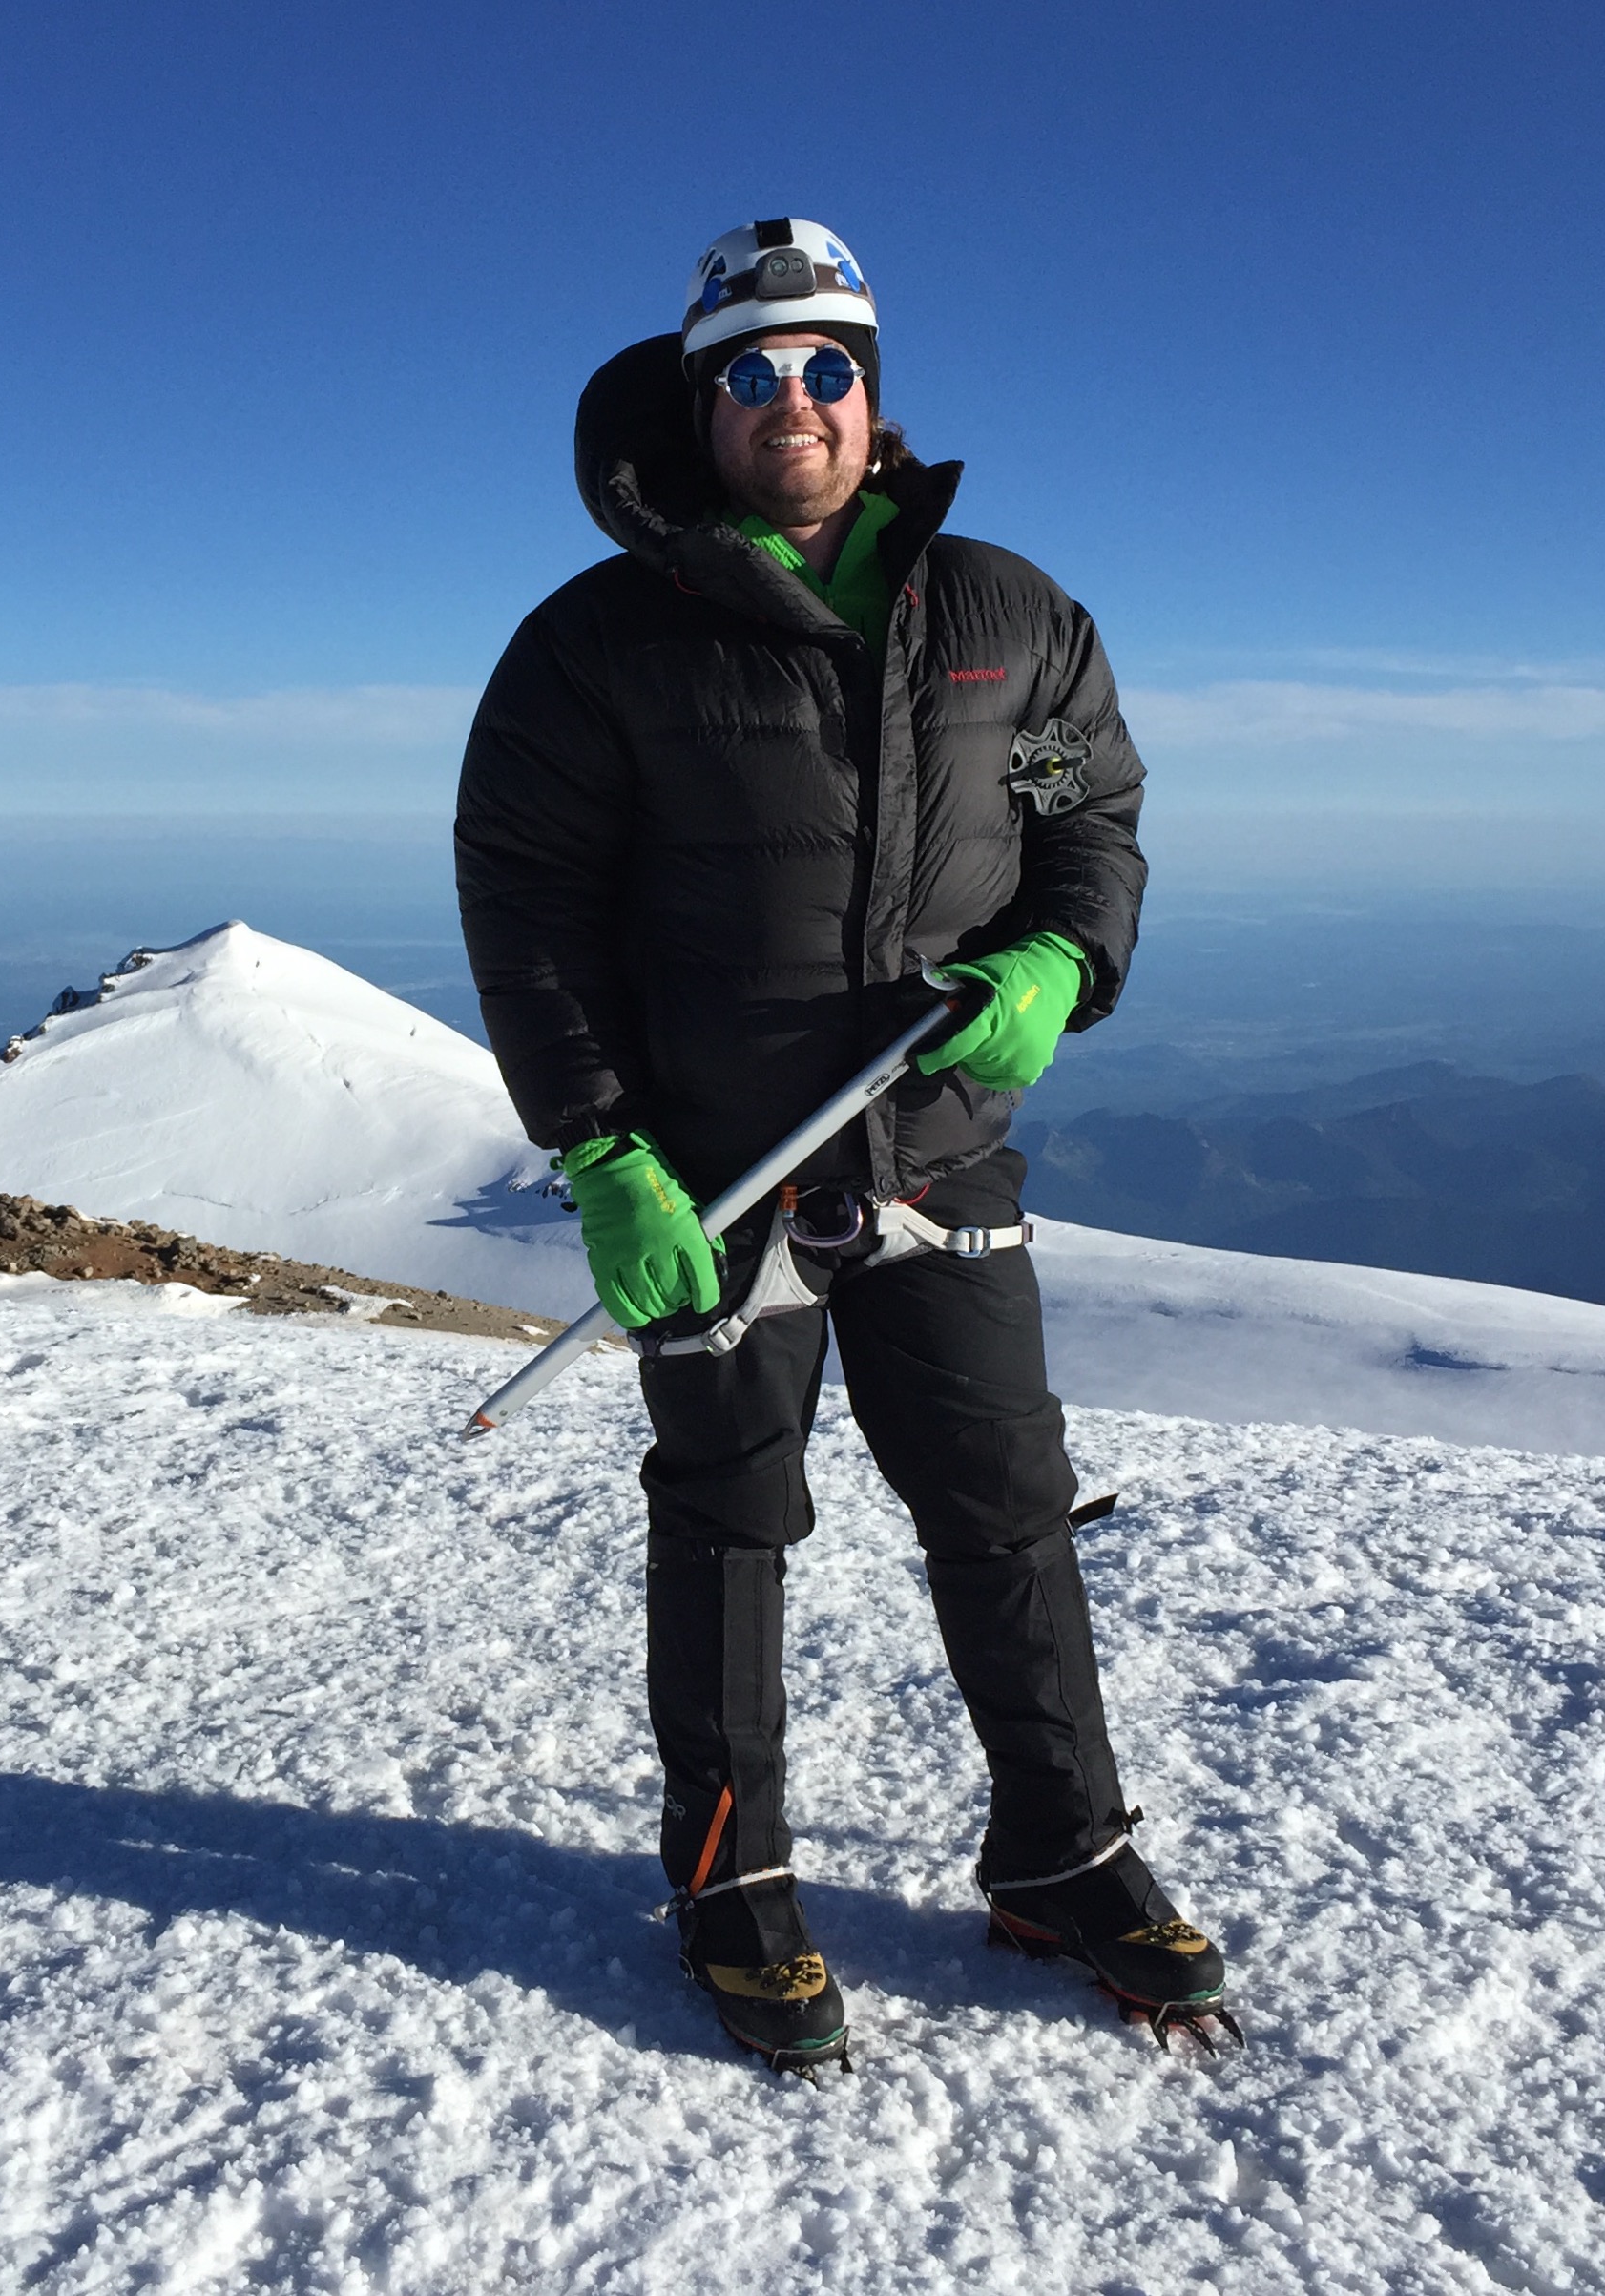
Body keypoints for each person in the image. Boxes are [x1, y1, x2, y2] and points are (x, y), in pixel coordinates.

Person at [455, 219, 1233, 2075]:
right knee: (730, 1517)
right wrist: (598, 1154)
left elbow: (1081, 809)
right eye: (747, 370)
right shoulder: (596, 652)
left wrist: (1063, 953)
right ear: (695, 402)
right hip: (713, 1174)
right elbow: (530, 903)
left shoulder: (1003, 624)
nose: (788, 400)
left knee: (1002, 1504)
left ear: (872, 400)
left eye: (824, 366)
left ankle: (1060, 1849)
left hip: (940, 1155)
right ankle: (730, 1880)